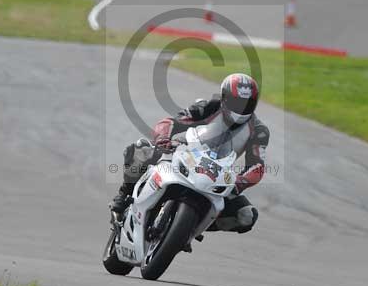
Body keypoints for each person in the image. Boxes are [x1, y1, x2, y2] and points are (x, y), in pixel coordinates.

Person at [110, 73, 270, 235]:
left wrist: (239, 182)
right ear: (224, 97)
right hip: (186, 154)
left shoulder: (259, 131)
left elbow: (257, 166)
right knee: (140, 149)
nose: (241, 108)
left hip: (218, 173)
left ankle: (190, 227)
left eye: (247, 103)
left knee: (246, 216)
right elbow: (170, 122)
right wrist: (164, 140)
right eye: (236, 102)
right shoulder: (209, 107)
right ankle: (123, 196)